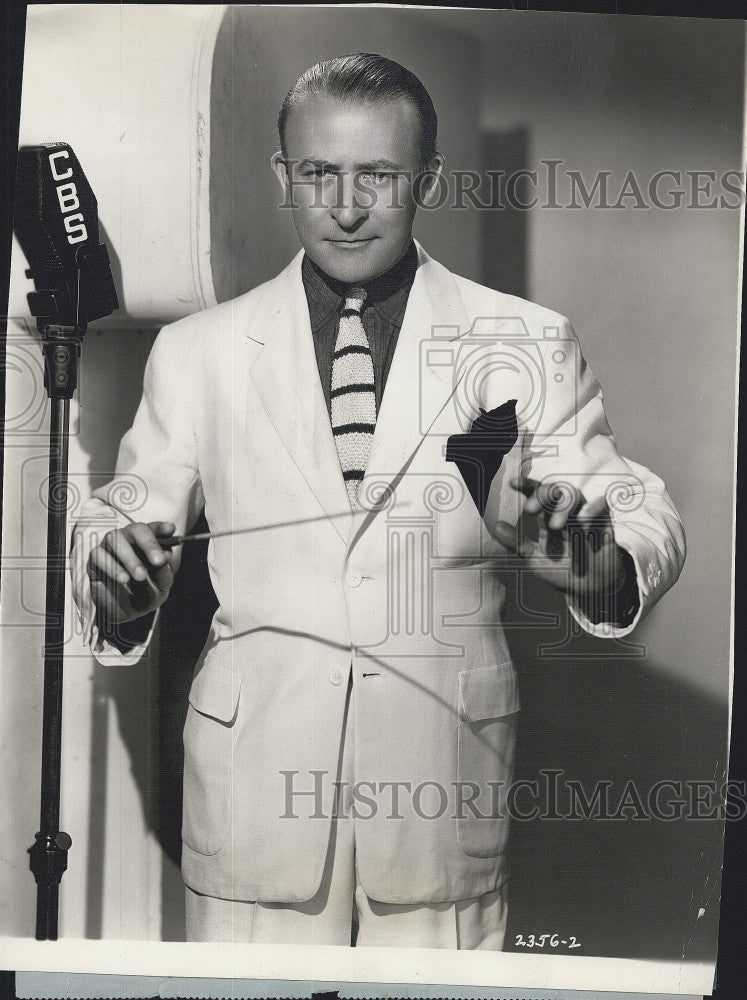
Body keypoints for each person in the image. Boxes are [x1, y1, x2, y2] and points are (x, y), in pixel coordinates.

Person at [70, 53, 685, 948]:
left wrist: (598, 565)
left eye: (379, 176)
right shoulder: (196, 352)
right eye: (318, 173)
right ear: (283, 176)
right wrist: (112, 571)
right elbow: (119, 512)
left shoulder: (523, 338)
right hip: (252, 804)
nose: (346, 206)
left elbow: (640, 515)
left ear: (425, 179)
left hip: (440, 800)